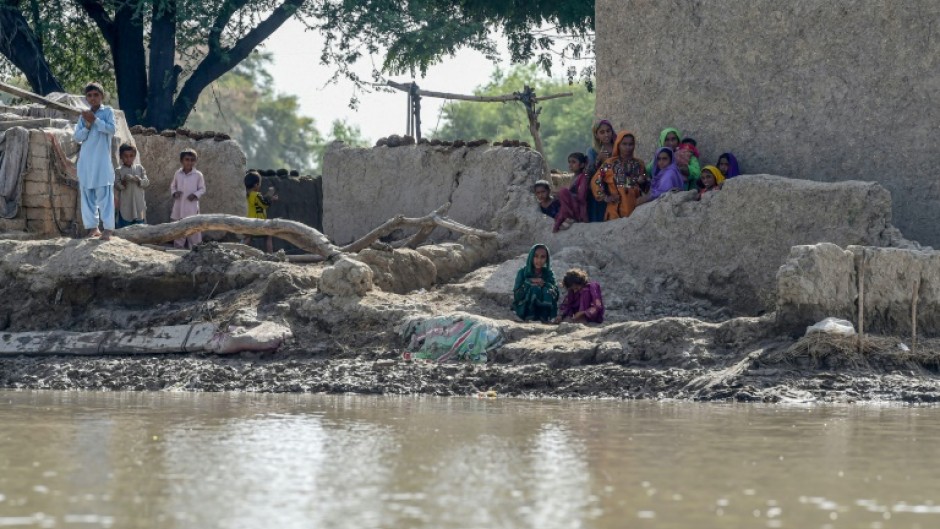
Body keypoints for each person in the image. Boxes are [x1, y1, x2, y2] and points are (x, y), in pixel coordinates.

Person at [72, 82, 116, 240]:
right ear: (86, 98)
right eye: (89, 95)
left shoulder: (108, 111)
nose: (92, 98)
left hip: (102, 162)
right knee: (87, 195)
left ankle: (108, 229)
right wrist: (88, 124)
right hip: (86, 161)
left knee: (105, 195)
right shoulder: (83, 116)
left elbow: (111, 130)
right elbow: (77, 137)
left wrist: (96, 120)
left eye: (96, 95)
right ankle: (93, 228)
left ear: (101, 96)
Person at [590, 130, 646, 220]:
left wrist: (642, 181)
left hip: (636, 211)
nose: (628, 147)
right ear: (618, 145)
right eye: (624, 144)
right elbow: (596, 181)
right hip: (615, 213)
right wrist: (605, 197)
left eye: (630, 144)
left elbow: (644, 182)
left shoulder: (639, 164)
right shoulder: (609, 163)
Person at [511, 244, 559, 322]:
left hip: (544, 311)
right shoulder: (523, 272)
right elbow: (517, 296)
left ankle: (544, 318)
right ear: (531, 257)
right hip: (525, 307)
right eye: (535, 256)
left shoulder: (548, 273)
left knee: (547, 291)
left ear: (547, 259)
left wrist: (544, 284)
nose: (539, 260)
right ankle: (530, 317)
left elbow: (556, 294)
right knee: (535, 289)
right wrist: (529, 282)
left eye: (542, 257)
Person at [170, 148, 206, 249]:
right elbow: (173, 186)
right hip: (179, 205)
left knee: (194, 230)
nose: (189, 162)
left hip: (192, 207)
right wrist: (175, 193)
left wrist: (195, 195)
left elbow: (202, 189)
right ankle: (178, 250)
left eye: (192, 160)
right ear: (182, 161)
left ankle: (196, 250)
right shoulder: (178, 173)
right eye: (187, 159)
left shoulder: (198, 175)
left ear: (195, 161)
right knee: (179, 230)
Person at [585, 120, 615, 222]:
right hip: (599, 189)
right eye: (602, 132)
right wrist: (598, 160)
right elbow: (588, 173)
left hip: (617, 187)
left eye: (608, 131)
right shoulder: (592, 151)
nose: (606, 135)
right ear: (596, 135)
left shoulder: (619, 146)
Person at [113, 144, 149, 228]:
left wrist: (139, 180)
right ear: (121, 157)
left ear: (135, 156)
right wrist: (123, 182)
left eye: (131, 156)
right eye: (125, 156)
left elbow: (146, 182)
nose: (128, 159)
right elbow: (117, 185)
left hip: (138, 204)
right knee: (125, 227)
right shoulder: (118, 170)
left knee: (140, 228)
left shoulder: (140, 168)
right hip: (126, 205)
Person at [552, 153, 590, 232]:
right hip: (573, 208)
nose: (570, 165)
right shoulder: (573, 177)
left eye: (573, 162)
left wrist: (566, 195)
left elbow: (581, 197)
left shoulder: (583, 177)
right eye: (569, 162)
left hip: (579, 210)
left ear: (582, 165)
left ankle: (568, 218)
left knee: (563, 191)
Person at [244, 170, 279, 252]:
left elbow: (260, 201)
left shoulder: (247, 195)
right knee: (269, 235)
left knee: (248, 238)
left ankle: (238, 251)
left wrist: (268, 197)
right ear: (256, 185)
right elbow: (264, 204)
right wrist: (271, 196)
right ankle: (270, 254)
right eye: (259, 183)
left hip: (249, 221)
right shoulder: (257, 195)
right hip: (258, 222)